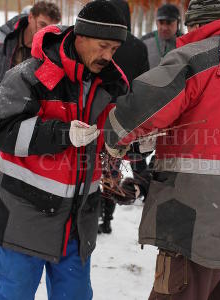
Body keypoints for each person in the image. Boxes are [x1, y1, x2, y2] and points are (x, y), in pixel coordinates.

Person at [104, 0, 220, 299]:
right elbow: (219, 152)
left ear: (197, 26)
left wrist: (109, 139)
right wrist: (146, 180)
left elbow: (135, 112)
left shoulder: (197, 57)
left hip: (196, 227)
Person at [0, 1, 128, 299]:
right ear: (80, 37)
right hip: (23, 219)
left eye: (114, 50)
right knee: (10, 295)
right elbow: (1, 133)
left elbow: (112, 135)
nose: (107, 56)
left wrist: (130, 144)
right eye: (103, 46)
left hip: (77, 224)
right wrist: (62, 134)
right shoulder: (28, 76)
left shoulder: (111, 84)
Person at [0, 1, 61, 204]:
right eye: (41, 24)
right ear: (30, 17)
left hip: (20, 131)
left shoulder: (50, 54)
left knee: (6, 190)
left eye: (50, 27)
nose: (45, 31)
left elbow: (48, 92)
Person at [97, 0, 149, 234]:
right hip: (124, 116)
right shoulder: (138, 47)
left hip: (98, 111)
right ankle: (107, 216)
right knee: (113, 166)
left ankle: (96, 209)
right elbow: (144, 85)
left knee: (94, 164)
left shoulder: (102, 42)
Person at [141, 3, 181, 69]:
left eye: (169, 22)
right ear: (156, 22)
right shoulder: (144, 42)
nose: (164, 28)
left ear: (178, 22)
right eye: (161, 22)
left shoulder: (186, 43)